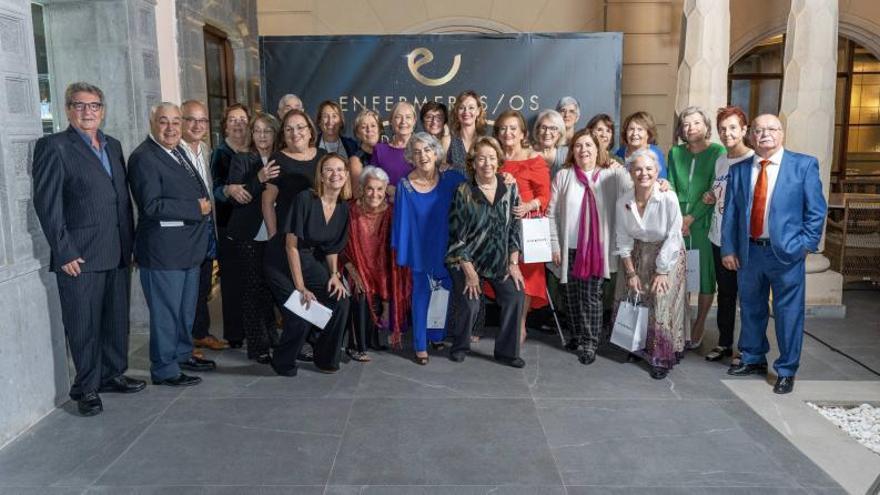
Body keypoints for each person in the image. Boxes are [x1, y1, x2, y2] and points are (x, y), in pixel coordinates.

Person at [32, 82, 143, 416]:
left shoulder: (113, 146)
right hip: (79, 257)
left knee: (114, 321)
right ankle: (86, 388)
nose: (88, 111)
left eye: (94, 105)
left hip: (118, 250)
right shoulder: (54, 147)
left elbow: (120, 201)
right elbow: (47, 205)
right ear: (68, 110)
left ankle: (111, 375)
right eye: (79, 105)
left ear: (102, 110)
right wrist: (63, 251)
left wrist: (130, 245)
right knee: (83, 325)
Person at [722, 114, 826, 394]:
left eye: (771, 129)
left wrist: (804, 246)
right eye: (758, 130)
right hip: (749, 252)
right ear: (750, 136)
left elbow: (816, 212)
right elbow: (731, 212)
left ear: (782, 133)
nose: (764, 134)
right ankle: (753, 357)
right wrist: (729, 248)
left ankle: (787, 369)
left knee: (788, 313)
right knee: (752, 308)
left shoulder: (803, 165)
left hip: (786, 254)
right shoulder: (740, 170)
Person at [128, 102, 217, 388]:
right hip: (163, 252)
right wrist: (195, 208)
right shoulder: (144, 157)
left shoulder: (177, 149)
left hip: (188, 249)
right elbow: (152, 205)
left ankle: (182, 354)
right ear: (152, 123)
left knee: (184, 311)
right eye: (164, 122)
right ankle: (165, 369)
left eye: (175, 122)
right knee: (166, 314)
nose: (171, 128)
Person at [547, 129, 631, 365]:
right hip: (569, 248)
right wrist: (555, 244)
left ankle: (589, 342)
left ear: (598, 149)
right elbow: (551, 213)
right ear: (572, 150)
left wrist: (662, 184)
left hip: (595, 249)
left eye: (588, 145)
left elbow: (635, 190)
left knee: (591, 296)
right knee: (570, 295)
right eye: (578, 145)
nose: (583, 150)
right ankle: (576, 334)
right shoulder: (563, 176)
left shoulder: (611, 174)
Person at [446, 136, 526, 368]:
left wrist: (513, 261)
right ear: (473, 162)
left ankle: (507, 353)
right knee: (471, 302)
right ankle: (460, 346)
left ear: (498, 160)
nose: (487, 163)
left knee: (515, 295)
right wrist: (469, 272)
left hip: (499, 261)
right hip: (465, 260)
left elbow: (514, 226)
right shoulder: (463, 191)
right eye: (481, 158)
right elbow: (456, 236)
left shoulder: (510, 187)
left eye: (492, 158)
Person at [271, 153, 352, 376]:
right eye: (329, 170)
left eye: (339, 170)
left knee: (341, 301)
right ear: (322, 176)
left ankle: (325, 358)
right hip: (280, 260)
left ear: (346, 176)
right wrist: (301, 288)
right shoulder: (305, 199)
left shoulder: (343, 208)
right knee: (301, 316)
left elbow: (332, 248)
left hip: (308, 260)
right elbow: (291, 246)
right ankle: (282, 361)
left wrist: (334, 274)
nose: (335, 174)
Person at [392, 132, 466, 365]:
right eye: (417, 151)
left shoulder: (452, 178)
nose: (422, 155)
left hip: (446, 244)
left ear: (436, 153)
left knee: (443, 290)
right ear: (411, 157)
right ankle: (420, 344)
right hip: (420, 248)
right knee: (421, 293)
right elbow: (400, 221)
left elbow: (478, 188)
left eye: (427, 150)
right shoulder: (405, 184)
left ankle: (436, 335)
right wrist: (405, 251)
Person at [614, 149, 688, 379]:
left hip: (668, 252)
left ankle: (662, 356)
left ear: (657, 172)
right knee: (635, 295)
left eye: (649, 169)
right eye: (637, 169)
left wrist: (663, 270)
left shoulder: (668, 197)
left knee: (660, 298)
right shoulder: (623, 201)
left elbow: (674, 236)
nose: (643, 173)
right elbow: (623, 238)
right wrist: (631, 272)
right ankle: (636, 345)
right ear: (630, 172)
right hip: (637, 250)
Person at [262, 109, 325, 363]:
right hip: (288, 242)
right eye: (289, 129)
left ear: (310, 131)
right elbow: (268, 203)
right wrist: (275, 236)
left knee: (321, 294)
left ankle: (313, 341)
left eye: (300, 127)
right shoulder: (277, 160)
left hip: (316, 242)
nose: (295, 133)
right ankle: (293, 347)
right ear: (283, 134)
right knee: (295, 301)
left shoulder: (323, 158)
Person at [667, 106, 725, 349]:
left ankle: (700, 321)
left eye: (696, 123)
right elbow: (669, 183)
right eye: (686, 124)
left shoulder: (717, 152)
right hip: (677, 219)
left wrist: (691, 218)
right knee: (681, 272)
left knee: (703, 275)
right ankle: (682, 320)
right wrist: (678, 218)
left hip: (702, 221)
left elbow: (714, 189)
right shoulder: (675, 152)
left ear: (706, 126)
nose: (691, 128)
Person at [226, 113, 282, 363]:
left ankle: (271, 335)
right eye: (257, 131)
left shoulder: (282, 159)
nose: (262, 136)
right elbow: (239, 195)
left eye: (267, 131)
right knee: (251, 290)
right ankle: (257, 346)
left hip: (274, 232)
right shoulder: (241, 159)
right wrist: (259, 178)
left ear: (275, 134)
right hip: (247, 233)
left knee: (268, 289)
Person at [343, 166, 411, 360]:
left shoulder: (390, 212)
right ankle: (356, 346)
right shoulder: (350, 209)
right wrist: (351, 269)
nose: (375, 193)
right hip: (353, 264)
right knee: (360, 292)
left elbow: (396, 245)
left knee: (384, 284)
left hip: (381, 267)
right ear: (363, 189)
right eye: (370, 188)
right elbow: (341, 244)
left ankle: (372, 339)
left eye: (380, 189)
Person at [702, 106, 753, 363]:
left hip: (743, 242)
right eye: (722, 129)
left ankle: (746, 348)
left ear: (744, 130)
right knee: (725, 295)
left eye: (732, 127)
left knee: (748, 297)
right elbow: (720, 192)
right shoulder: (721, 160)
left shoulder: (754, 161)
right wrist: (712, 196)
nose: (727, 133)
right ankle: (724, 343)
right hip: (718, 238)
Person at [494, 110, 549, 343]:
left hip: (526, 228)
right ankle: (508, 319)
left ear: (523, 133)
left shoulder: (534, 159)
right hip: (497, 227)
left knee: (527, 277)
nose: (508, 133)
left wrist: (528, 206)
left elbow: (545, 195)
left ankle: (520, 324)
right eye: (503, 128)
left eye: (513, 128)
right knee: (502, 273)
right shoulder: (493, 157)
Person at [180, 100, 227, 355]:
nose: (197, 125)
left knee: (203, 286)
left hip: (207, 230)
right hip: (187, 233)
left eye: (202, 120)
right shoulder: (177, 152)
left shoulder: (206, 151)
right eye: (191, 119)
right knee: (188, 289)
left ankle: (200, 333)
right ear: (181, 121)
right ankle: (186, 340)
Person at [210, 103, 251, 348]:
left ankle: (255, 327)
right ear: (225, 124)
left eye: (242, 119)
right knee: (233, 281)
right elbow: (213, 188)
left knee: (253, 280)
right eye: (233, 119)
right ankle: (235, 334)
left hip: (254, 225)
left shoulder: (254, 149)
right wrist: (228, 189)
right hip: (229, 225)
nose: (238, 123)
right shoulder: (220, 153)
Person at [371, 101, 417, 196]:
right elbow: (372, 181)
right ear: (391, 121)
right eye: (398, 117)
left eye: (408, 117)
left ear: (414, 121)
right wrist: (386, 188)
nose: (403, 121)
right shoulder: (380, 150)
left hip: (416, 206)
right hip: (386, 208)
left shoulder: (423, 150)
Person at [614, 111, 668, 179]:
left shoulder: (655, 153)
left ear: (648, 134)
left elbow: (662, 181)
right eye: (631, 129)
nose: (635, 133)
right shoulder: (620, 152)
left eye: (640, 129)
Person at [447, 90, 486, 172]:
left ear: (478, 111)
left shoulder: (485, 142)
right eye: (461, 108)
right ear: (456, 111)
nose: (466, 112)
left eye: (471, 108)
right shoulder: (447, 141)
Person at [349, 109, 383, 191]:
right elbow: (358, 193)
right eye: (364, 127)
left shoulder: (388, 153)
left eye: (373, 126)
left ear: (380, 130)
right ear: (358, 133)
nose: (369, 130)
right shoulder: (356, 160)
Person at [533, 109, 568, 180]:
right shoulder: (526, 153)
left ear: (560, 133)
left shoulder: (567, 153)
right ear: (537, 130)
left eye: (553, 128)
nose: (547, 132)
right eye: (543, 127)